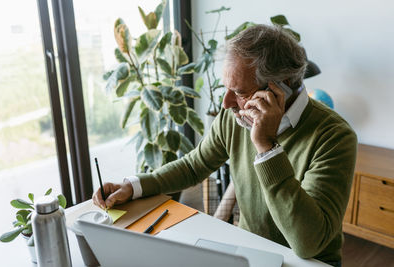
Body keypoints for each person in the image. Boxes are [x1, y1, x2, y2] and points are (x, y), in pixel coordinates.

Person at [93, 24, 357, 266]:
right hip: (249, 250)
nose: (226, 103)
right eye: (226, 88)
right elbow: (194, 165)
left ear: (282, 88)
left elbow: (306, 243)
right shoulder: (235, 117)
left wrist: (267, 147)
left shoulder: (335, 137)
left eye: (240, 92)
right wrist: (134, 186)